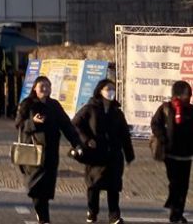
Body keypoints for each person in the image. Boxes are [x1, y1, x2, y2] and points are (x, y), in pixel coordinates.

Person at [15, 75, 83, 224]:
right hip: (33, 152)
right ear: (35, 88)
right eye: (42, 86)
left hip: (51, 152)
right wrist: (32, 122)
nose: (45, 89)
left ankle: (43, 216)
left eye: (48, 86)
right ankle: (43, 217)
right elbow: (19, 124)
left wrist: (76, 143)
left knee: (46, 186)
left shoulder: (54, 105)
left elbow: (66, 125)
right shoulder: (27, 104)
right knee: (35, 185)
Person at [72, 79, 135, 224]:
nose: (111, 92)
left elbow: (125, 134)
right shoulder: (90, 108)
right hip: (96, 154)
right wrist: (87, 139)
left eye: (113, 89)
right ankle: (92, 212)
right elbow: (75, 124)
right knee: (94, 185)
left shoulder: (117, 112)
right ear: (100, 91)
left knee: (114, 187)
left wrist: (129, 154)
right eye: (108, 89)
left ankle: (114, 216)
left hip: (114, 155)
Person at [151, 80, 193, 224]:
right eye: (186, 94)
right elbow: (155, 123)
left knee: (184, 186)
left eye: (190, 94)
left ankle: (177, 213)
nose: (189, 97)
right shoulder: (166, 108)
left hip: (186, 155)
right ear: (178, 94)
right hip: (170, 153)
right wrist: (162, 138)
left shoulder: (191, 110)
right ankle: (175, 211)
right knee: (175, 183)